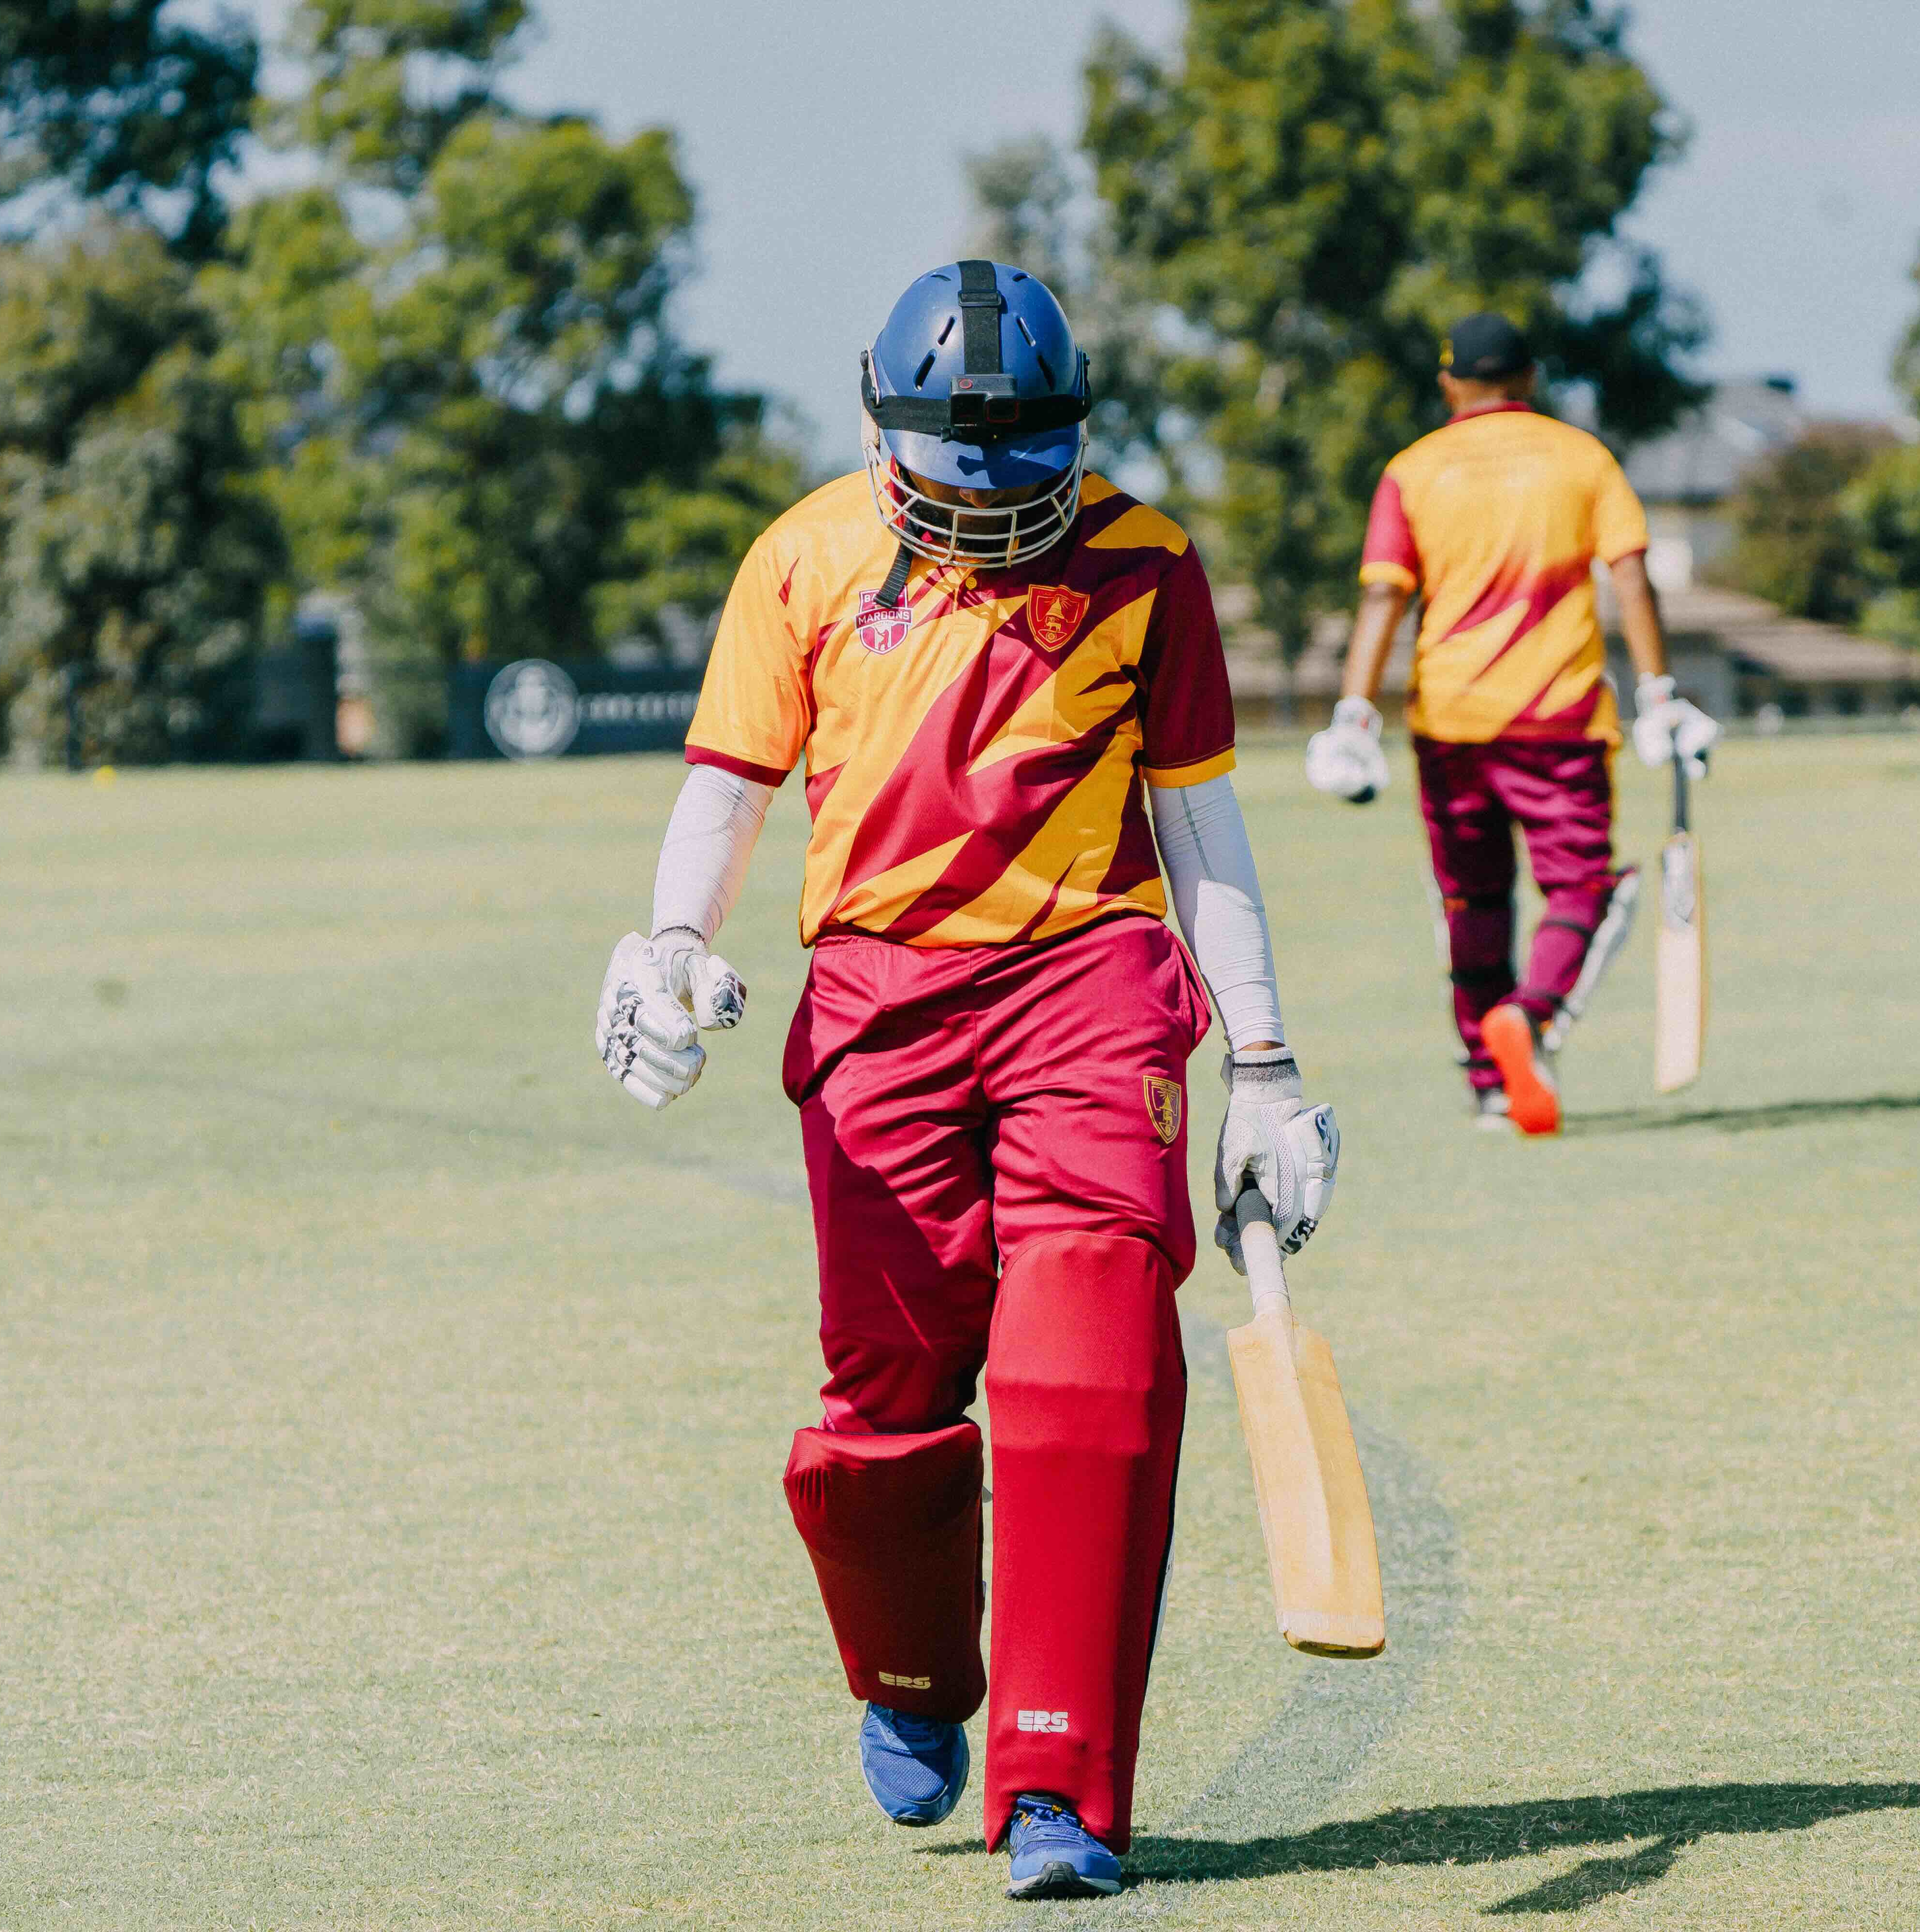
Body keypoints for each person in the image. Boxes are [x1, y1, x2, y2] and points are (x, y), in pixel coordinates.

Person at [592, 261, 1340, 1903]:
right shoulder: (800, 558)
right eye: (954, 493)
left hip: (1089, 980)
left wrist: (1266, 1064)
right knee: (888, 1397)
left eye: (1023, 491)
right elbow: (728, 786)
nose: (995, 525)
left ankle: (1061, 1789)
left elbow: (1203, 824)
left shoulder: (1148, 564)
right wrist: (665, 943)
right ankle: (914, 1677)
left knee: (1092, 1364)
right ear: (882, 433)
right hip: (878, 1002)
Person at [1306, 312, 1717, 1136]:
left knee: (1472, 899)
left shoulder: (1412, 470)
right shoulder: (1583, 457)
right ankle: (1529, 1022)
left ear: (1450, 384)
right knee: (1580, 889)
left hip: (1451, 722)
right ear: (1529, 381)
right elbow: (1632, 577)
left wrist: (1355, 712)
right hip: (1558, 719)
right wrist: (1661, 692)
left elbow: (1385, 593)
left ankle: (1492, 1083)